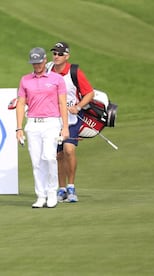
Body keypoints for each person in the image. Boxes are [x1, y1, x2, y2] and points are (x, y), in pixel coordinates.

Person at [16, 47, 69, 208]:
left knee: (49, 157)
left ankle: (52, 193)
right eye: (34, 63)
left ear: (45, 60)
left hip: (52, 123)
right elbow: (20, 104)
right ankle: (41, 195)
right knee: (36, 161)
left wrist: (65, 126)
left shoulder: (56, 79)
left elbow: (62, 103)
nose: (37, 65)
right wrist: (19, 128)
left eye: (39, 62)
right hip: (32, 123)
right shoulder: (25, 80)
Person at [48, 42, 94, 203]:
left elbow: (89, 93)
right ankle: (61, 189)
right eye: (54, 53)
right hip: (53, 119)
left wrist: (79, 106)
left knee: (68, 150)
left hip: (72, 120)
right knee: (57, 155)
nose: (56, 56)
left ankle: (71, 186)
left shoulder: (74, 72)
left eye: (60, 54)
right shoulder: (48, 70)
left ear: (67, 56)